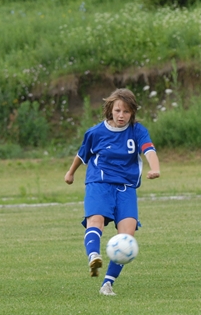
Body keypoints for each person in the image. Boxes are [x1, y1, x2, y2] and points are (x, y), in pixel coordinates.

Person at [65, 88, 161, 296]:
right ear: (110, 109)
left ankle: (107, 284)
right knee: (96, 220)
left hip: (126, 187)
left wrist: (155, 168)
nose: (121, 115)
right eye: (118, 110)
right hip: (99, 182)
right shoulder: (95, 133)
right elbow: (82, 155)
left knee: (127, 235)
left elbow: (148, 149)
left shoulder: (137, 131)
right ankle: (94, 256)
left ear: (132, 112)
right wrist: (70, 173)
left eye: (126, 111)